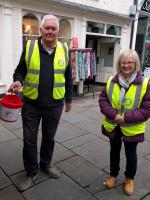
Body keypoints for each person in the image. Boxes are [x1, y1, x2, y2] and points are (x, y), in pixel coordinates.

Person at [9, 14, 73, 191]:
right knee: (29, 140)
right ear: (41, 30)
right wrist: (18, 81)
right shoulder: (30, 47)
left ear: (58, 32)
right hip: (31, 104)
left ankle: (46, 163)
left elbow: (68, 76)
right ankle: (31, 172)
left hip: (55, 104)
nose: (50, 32)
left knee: (49, 138)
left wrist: (68, 98)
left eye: (54, 29)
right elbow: (20, 70)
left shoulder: (64, 49)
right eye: (47, 28)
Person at [99, 50, 150, 195]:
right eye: (123, 62)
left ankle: (129, 179)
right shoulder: (111, 81)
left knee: (131, 154)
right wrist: (114, 115)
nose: (126, 65)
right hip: (113, 124)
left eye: (130, 62)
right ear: (119, 64)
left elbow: (147, 109)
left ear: (136, 65)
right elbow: (103, 101)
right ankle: (113, 174)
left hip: (132, 127)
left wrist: (125, 117)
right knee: (114, 151)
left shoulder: (145, 84)